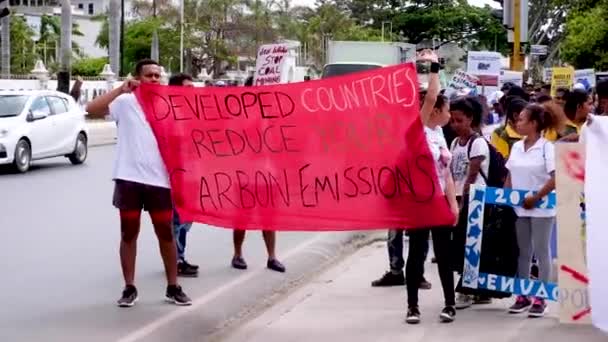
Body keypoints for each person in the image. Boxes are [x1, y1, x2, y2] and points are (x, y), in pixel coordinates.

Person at [86, 59, 192, 307]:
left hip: (160, 182)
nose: (154, 79)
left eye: (158, 75)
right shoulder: (125, 102)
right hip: (129, 179)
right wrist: (121, 89)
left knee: (165, 232)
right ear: (138, 78)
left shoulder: (170, 106)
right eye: (149, 75)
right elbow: (92, 109)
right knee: (129, 233)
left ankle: (173, 286)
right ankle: (129, 287)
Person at [405, 49, 459, 324]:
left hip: (438, 200)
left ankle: (449, 304)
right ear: (436, 110)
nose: (450, 115)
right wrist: (434, 68)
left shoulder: (438, 134)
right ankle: (412, 306)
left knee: (443, 254)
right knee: (416, 253)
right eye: (448, 109)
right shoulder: (416, 127)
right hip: (417, 202)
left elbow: (446, 173)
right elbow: (431, 96)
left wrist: (452, 203)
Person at [506, 104, 562, 317]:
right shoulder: (517, 147)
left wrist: (536, 197)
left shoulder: (547, 148)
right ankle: (522, 296)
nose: (517, 123)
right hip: (520, 209)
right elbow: (510, 175)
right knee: (523, 254)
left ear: (534, 124)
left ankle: (541, 298)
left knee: (542, 253)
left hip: (542, 209)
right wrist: (505, 198)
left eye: (521, 119)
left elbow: (555, 177)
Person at [232, 76, 286, 273]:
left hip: (268, 173)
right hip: (246, 174)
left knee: (269, 217)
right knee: (242, 216)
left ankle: (272, 256)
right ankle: (237, 254)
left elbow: (278, 141)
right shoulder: (240, 113)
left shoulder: (271, 112)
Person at [449, 96, 490, 310]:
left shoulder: (478, 143)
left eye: (459, 120)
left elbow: (471, 177)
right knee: (462, 245)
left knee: (470, 245)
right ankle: (477, 290)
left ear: (470, 119)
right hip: (458, 199)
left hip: (474, 201)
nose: (454, 125)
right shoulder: (456, 142)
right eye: (452, 120)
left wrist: (462, 203)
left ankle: (466, 290)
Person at [168, 73, 199, 277]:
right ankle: (176, 259)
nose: (192, 91)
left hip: (192, 172)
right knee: (177, 218)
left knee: (187, 218)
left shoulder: (193, 112)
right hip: (176, 173)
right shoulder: (168, 113)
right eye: (188, 87)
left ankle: (179, 255)